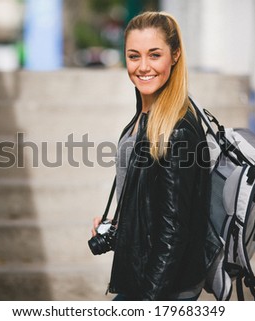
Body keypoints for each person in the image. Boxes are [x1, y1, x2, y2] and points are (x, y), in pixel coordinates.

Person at [91, 11, 211, 301]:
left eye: (154, 55)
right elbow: (155, 205)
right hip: (147, 277)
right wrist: (121, 225)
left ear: (175, 55)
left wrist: (147, 303)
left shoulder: (177, 129)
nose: (143, 67)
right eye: (134, 56)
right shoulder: (145, 117)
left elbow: (174, 230)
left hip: (163, 288)